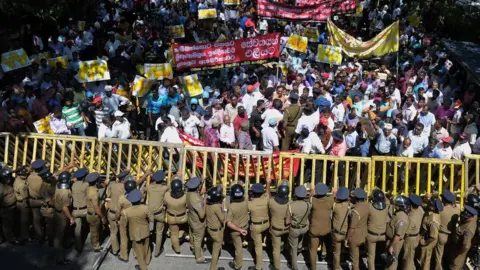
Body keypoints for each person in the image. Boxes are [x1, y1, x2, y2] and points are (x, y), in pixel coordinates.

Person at [123, 189, 153, 270]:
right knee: (146, 246)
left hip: (135, 233)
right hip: (145, 231)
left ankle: (143, 267)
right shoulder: (145, 208)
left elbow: (124, 225)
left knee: (139, 251)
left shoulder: (126, 212)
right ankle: (147, 261)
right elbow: (152, 219)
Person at [186, 177, 210, 264]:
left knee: (192, 235)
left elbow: (195, 195)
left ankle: (194, 248)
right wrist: (204, 203)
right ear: (197, 187)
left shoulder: (188, 193)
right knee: (198, 239)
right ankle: (199, 258)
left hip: (191, 219)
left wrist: (202, 181)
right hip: (198, 222)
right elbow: (202, 214)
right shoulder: (196, 199)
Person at [309, 183, 334, 270]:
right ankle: (324, 252)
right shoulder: (330, 200)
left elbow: (310, 198)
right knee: (324, 237)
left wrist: (312, 192)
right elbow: (334, 195)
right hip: (326, 228)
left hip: (315, 229)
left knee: (313, 249)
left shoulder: (313, 200)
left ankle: (313, 267)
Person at [248, 179, 271, 270]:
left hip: (256, 226)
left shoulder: (250, 204)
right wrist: (268, 184)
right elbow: (268, 193)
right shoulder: (266, 199)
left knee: (258, 247)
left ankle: (258, 267)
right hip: (266, 224)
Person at [434, 190, 460, 269]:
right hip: (451, 235)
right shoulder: (457, 211)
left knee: (438, 256)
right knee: (447, 254)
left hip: (441, 235)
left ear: (444, 200)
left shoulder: (441, 210)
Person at [287, 186, 311, 270]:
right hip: (304, 228)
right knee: (301, 236)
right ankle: (300, 247)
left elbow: (287, 221)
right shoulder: (308, 204)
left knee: (293, 247)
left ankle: (294, 266)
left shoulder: (291, 206)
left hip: (295, 229)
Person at [106, 170, 129, 256]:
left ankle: (115, 250)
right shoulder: (126, 187)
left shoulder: (112, 185)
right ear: (125, 179)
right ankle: (124, 252)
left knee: (113, 232)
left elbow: (108, 195)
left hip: (111, 212)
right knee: (123, 234)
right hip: (121, 214)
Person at [227, 183, 249, 270]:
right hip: (245, 227)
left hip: (236, 230)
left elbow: (229, 223)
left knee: (238, 248)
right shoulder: (246, 202)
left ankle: (237, 265)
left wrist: (239, 230)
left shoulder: (232, 207)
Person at [53, 171, 74, 265]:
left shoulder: (58, 186)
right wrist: (70, 218)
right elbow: (65, 207)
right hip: (62, 215)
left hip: (57, 212)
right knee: (59, 237)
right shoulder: (65, 192)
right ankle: (60, 258)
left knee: (59, 234)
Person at [147, 170, 169, 257]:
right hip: (159, 214)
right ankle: (157, 251)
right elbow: (169, 186)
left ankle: (147, 248)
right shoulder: (164, 188)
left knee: (147, 231)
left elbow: (152, 182)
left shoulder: (149, 187)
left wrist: (152, 175)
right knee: (159, 232)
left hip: (150, 214)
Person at [268, 184, 290, 270]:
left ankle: (276, 267)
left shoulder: (272, 202)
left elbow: (268, 197)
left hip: (275, 230)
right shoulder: (290, 203)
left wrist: (269, 186)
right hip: (287, 229)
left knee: (276, 250)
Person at [449, 205, 478, 269]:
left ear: (469, 217)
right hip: (457, 246)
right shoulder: (473, 217)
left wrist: (458, 253)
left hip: (459, 250)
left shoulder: (468, 230)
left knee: (455, 266)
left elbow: (466, 245)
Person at [347, 188, 369, 270]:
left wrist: (347, 239)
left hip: (355, 237)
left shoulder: (355, 211)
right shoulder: (368, 206)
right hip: (365, 235)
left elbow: (352, 228)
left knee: (355, 260)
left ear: (355, 198)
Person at [386, 196, 410, 270]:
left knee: (392, 264)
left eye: (397, 205)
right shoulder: (399, 213)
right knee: (389, 262)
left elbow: (398, 235)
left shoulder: (402, 218)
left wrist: (391, 246)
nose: (395, 206)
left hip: (395, 242)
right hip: (392, 240)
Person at [164, 178, 187, 254]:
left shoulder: (167, 196)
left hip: (171, 218)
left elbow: (164, 203)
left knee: (173, 234)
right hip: (183, 218)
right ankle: (183, 235)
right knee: (186, 227)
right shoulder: (184, 197)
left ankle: (177, 249)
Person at [367, 189, 388, 270]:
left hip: (372, 235)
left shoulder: (370, 207)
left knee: (371, 256)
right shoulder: (387, 207)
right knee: (383, 253)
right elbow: (387, 201)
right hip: (383, 235)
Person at [419, 198, 443, 270]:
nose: (428, 204)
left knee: (425, 261)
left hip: (428, 240)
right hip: (425, 236)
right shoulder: (431, 213)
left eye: (430, 203)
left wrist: (424, 242)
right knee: (422, 259)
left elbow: (433, 237)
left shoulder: (433, 220)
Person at [86, 172, 107, 252]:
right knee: (94, 231)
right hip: (94, 215)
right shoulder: (94, 193)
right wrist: (103, 217)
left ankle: (95, 242)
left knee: (95, 230)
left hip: (90, 213)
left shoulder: (89, 188)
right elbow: (97, 208)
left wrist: (104, 184)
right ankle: (96, 246)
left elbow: (99, 186)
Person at [205, 186, 225, 270]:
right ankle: (213, 268)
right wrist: (223, 210)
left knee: (215, 247)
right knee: (216, 251)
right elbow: (222, 219)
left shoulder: (207, 205)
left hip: (210, 229)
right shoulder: (216, 207)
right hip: (216, 232)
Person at [403, 194, 424, 269]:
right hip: (416, 237)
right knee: (411, 258)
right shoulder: (420, 210)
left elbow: (405, 232)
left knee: (407, 259)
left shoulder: (411, 217)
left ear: (411, 205)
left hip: (410, 239)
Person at [28, 160, 46, 243]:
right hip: (42, 200)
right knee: (47, 217)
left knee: (36, 220)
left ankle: (40, 236)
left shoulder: (30, 177)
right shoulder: (42, 178)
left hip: (32, 201)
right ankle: (46, 235)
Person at [71, 168, 89, 252]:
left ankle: (78, 247)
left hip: (75, 210)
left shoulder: (73, 185)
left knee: (77, 230)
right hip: (84, 210)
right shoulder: (86, 185)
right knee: (92, 223)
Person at [332, 187, 350, 270]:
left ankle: (336, 268)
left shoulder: (336, 206)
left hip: (337, 233)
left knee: (336, 253)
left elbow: (332, 202)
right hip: (346, 234)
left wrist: (334, 195)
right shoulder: (349, 207)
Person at [0, 168, 19, 245]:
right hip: (6, 209)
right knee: (7, 225)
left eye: (9, 176)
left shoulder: (10, 182)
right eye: (6, 177)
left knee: (10, 223)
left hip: (13, 207)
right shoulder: (1, 188)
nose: (8, 179)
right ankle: (10, 239)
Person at [12, 166, 31, 244]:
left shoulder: (17, 179)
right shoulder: (22, 186)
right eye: (24, 175)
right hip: (23, 203)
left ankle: (19, 233)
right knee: (24, 221)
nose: (25, 176)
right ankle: (25, 236)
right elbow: (25, 197)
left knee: (19, 220)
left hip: (17, 202)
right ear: (20, 175)